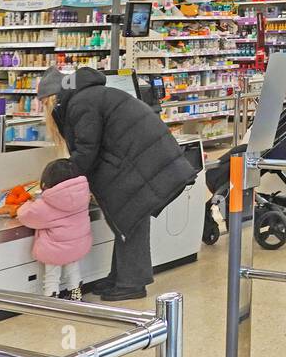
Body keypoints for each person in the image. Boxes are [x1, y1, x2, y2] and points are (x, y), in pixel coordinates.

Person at [38, 66, 197, 300]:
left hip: (140, 162)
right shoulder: (88, 96)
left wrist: (62, 179)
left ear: (52, 98)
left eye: (44, 103)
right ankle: (120, 277)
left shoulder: (81, 103)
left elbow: (87, 149)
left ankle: (132, 283)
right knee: (125, 221)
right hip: (141, 158)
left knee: (130, 219)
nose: (44, 109)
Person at [16, 158, 92, 300]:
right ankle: (76, 296)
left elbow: (25, 215)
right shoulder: (83, 196)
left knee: (52, 276)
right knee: (73, 271)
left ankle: (52, 299)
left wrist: (28, 203)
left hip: (54, 250)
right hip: (77, 246)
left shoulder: (46, 204)